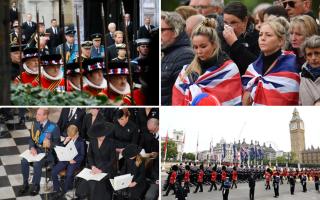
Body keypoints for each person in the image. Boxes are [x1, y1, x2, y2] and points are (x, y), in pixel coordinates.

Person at [172, 18, 242, 106]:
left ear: (214, 44)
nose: (199, 51)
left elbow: (232, 103)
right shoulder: (186, 71)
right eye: (195, 47)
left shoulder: (229, 69)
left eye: (203, 46)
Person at [242, 19, 300, 105]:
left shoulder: (292, 64)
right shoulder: (252, 68)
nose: (262, 38)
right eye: (260, 35)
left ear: (281, 41)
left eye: (268, 35)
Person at [19, 108, 60, 196]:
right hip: (36, 151)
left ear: (45, 116)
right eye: (37, 114)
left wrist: (50, 144)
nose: (36, 116)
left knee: (37, 163)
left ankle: (35, 185)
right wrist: (32, 147)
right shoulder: (35, 124)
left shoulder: (53, 127)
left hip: (47, 154)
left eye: (38, 114)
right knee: (23, 161)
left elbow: (58, 144)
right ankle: (25, 184)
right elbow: (31, 138)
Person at [75, 121, 116, 200]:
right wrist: (93, 166)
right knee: (84, 180)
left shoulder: (111, 142)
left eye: (103, 135)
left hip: (106, 168)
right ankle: (85, 196)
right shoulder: (92, 141)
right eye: (100, 136)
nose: (102, 137)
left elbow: (112, 160)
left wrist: (101, 170)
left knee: (95, 183)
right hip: (94, 166)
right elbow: (90, 156)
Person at [161, 11, 194, 105]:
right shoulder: (167, 52)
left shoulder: (185, 56)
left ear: (175, 32)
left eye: (162, 30)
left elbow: (183, 95)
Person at [222, 1, 260, 75]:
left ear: (245, 21)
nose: (229, 27)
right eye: (225, 23)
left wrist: (234, 43)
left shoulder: (258, 37)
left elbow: (255, 67)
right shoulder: (221, 36)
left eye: (233, 22)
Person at [51, 124, 85, 199]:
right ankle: (57, 189)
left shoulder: (81, 142)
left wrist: (74, 160)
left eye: (73, 136)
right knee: (53, 171)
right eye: (70, 136)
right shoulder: (68, 138)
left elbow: (82, 155)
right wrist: (64, 142)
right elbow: (59, 148)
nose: (72, 138)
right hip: (66, 159)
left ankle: (64, 191)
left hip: (74, 162)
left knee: (69, 174)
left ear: (77, 133)